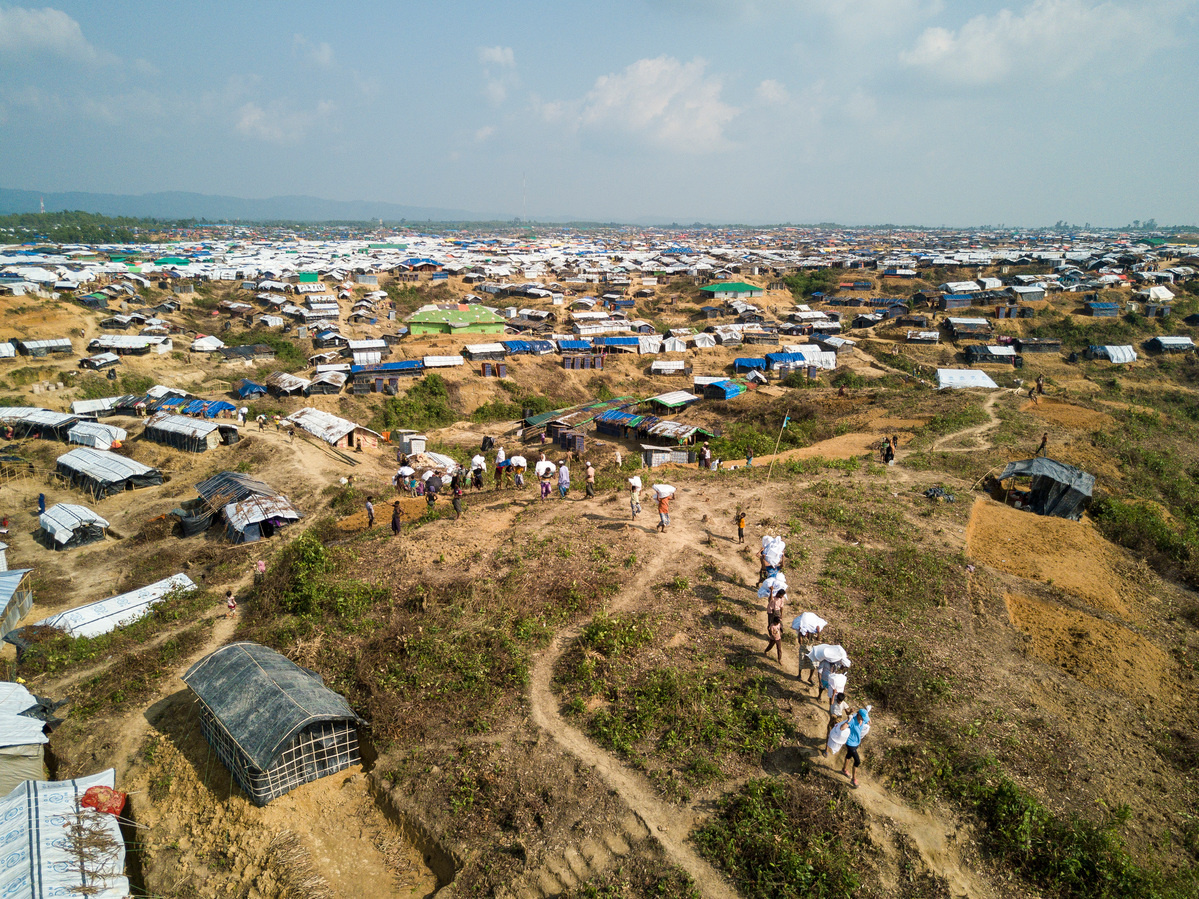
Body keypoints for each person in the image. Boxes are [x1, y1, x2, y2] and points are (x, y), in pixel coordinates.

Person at [840, 707, 871, 787]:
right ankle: (853, 780)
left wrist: (867, 716)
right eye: (863, 718)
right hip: (850, 743)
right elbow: (842, 728)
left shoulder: (863, 720)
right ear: (858, 715)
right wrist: (848, 721)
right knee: (857, 761)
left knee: (849, 755)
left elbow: (869, 722)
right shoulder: (852, 721)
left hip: (856, 743)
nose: (863, 720)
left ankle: (844, 769)